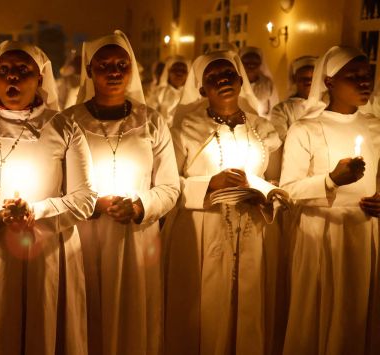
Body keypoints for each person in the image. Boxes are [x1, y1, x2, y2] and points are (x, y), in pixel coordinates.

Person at [0, 40, 96, 355]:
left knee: (44, 327)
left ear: (39, 79)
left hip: (47, 249)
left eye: (23, 71)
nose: (12, 78)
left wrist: (36, 210)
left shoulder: (64, 127)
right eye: (4, 71)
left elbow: (85, 198)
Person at [59, 30, 179, 355]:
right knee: (87, 315)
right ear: (89, 71)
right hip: (85, 236)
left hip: (137, 238)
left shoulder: (152, 122)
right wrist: (91, 204)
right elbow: (56, 184)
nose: (113, 72)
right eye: (104, 65)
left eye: (121, 65)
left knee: (134, 320)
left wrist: (140, 206)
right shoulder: (68, 122)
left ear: (132, 70)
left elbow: (170, 186)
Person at [163, 50, 282, 355]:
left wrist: (264, 193)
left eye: (228, 75)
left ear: (241, 81)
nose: (223, 81)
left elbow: (279, 180)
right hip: (203, 226)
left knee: (250, 302)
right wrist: (209, 184)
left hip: (253, 226)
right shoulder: (185, 129)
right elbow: (168, 182)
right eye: (213, 78)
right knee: (205, 304)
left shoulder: (264, 130)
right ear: (202, 90)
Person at [280, 46, 380, 355]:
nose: (364, 83)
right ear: (329, 82)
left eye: (367, 76)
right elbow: (288, 191)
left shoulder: (376, 127)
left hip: (366, 233)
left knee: (358, 317)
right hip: (320, 234)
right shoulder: (305, 129)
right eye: (354, 77)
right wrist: (331, 180)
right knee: (319, 314)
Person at [269, 56, 316, 141]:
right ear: (295, 79)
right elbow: (280, 139)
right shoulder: (281, 110)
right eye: (304, 78)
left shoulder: (326, 106)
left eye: (312, 78)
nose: (308, 82)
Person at [147, 55, 189, 126]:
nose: (179, 73)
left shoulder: (192, 95)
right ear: (168, 72)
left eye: (183, 70)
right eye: (175, 69)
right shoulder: (159, 93)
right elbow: (150, 116)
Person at [240, 46, 279, 117]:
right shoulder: (236, 83)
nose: (251, 65)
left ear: (260, 63)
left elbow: (275, 106)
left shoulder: (267, 84)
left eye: (255, 62)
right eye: (247, 62)